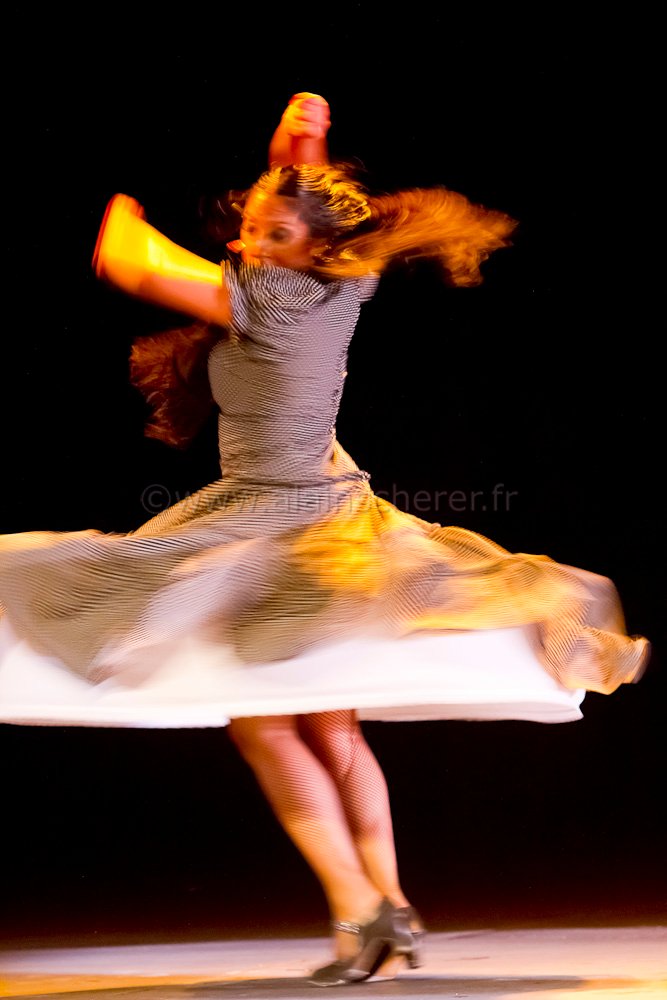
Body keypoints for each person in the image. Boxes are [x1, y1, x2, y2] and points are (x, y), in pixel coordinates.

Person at [0, 92, 650, 987]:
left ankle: (357, 906)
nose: (248, 246)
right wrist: (299, 151)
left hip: (275, 522)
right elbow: (303, 208)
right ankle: (390, 904)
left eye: (270, 235)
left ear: (312, 248)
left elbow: (126, 260)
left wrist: (121, 214)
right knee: (331, 726)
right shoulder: (342, 282)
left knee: (261, 720)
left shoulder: (266, 298)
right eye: (250, 231)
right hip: (331, 514)